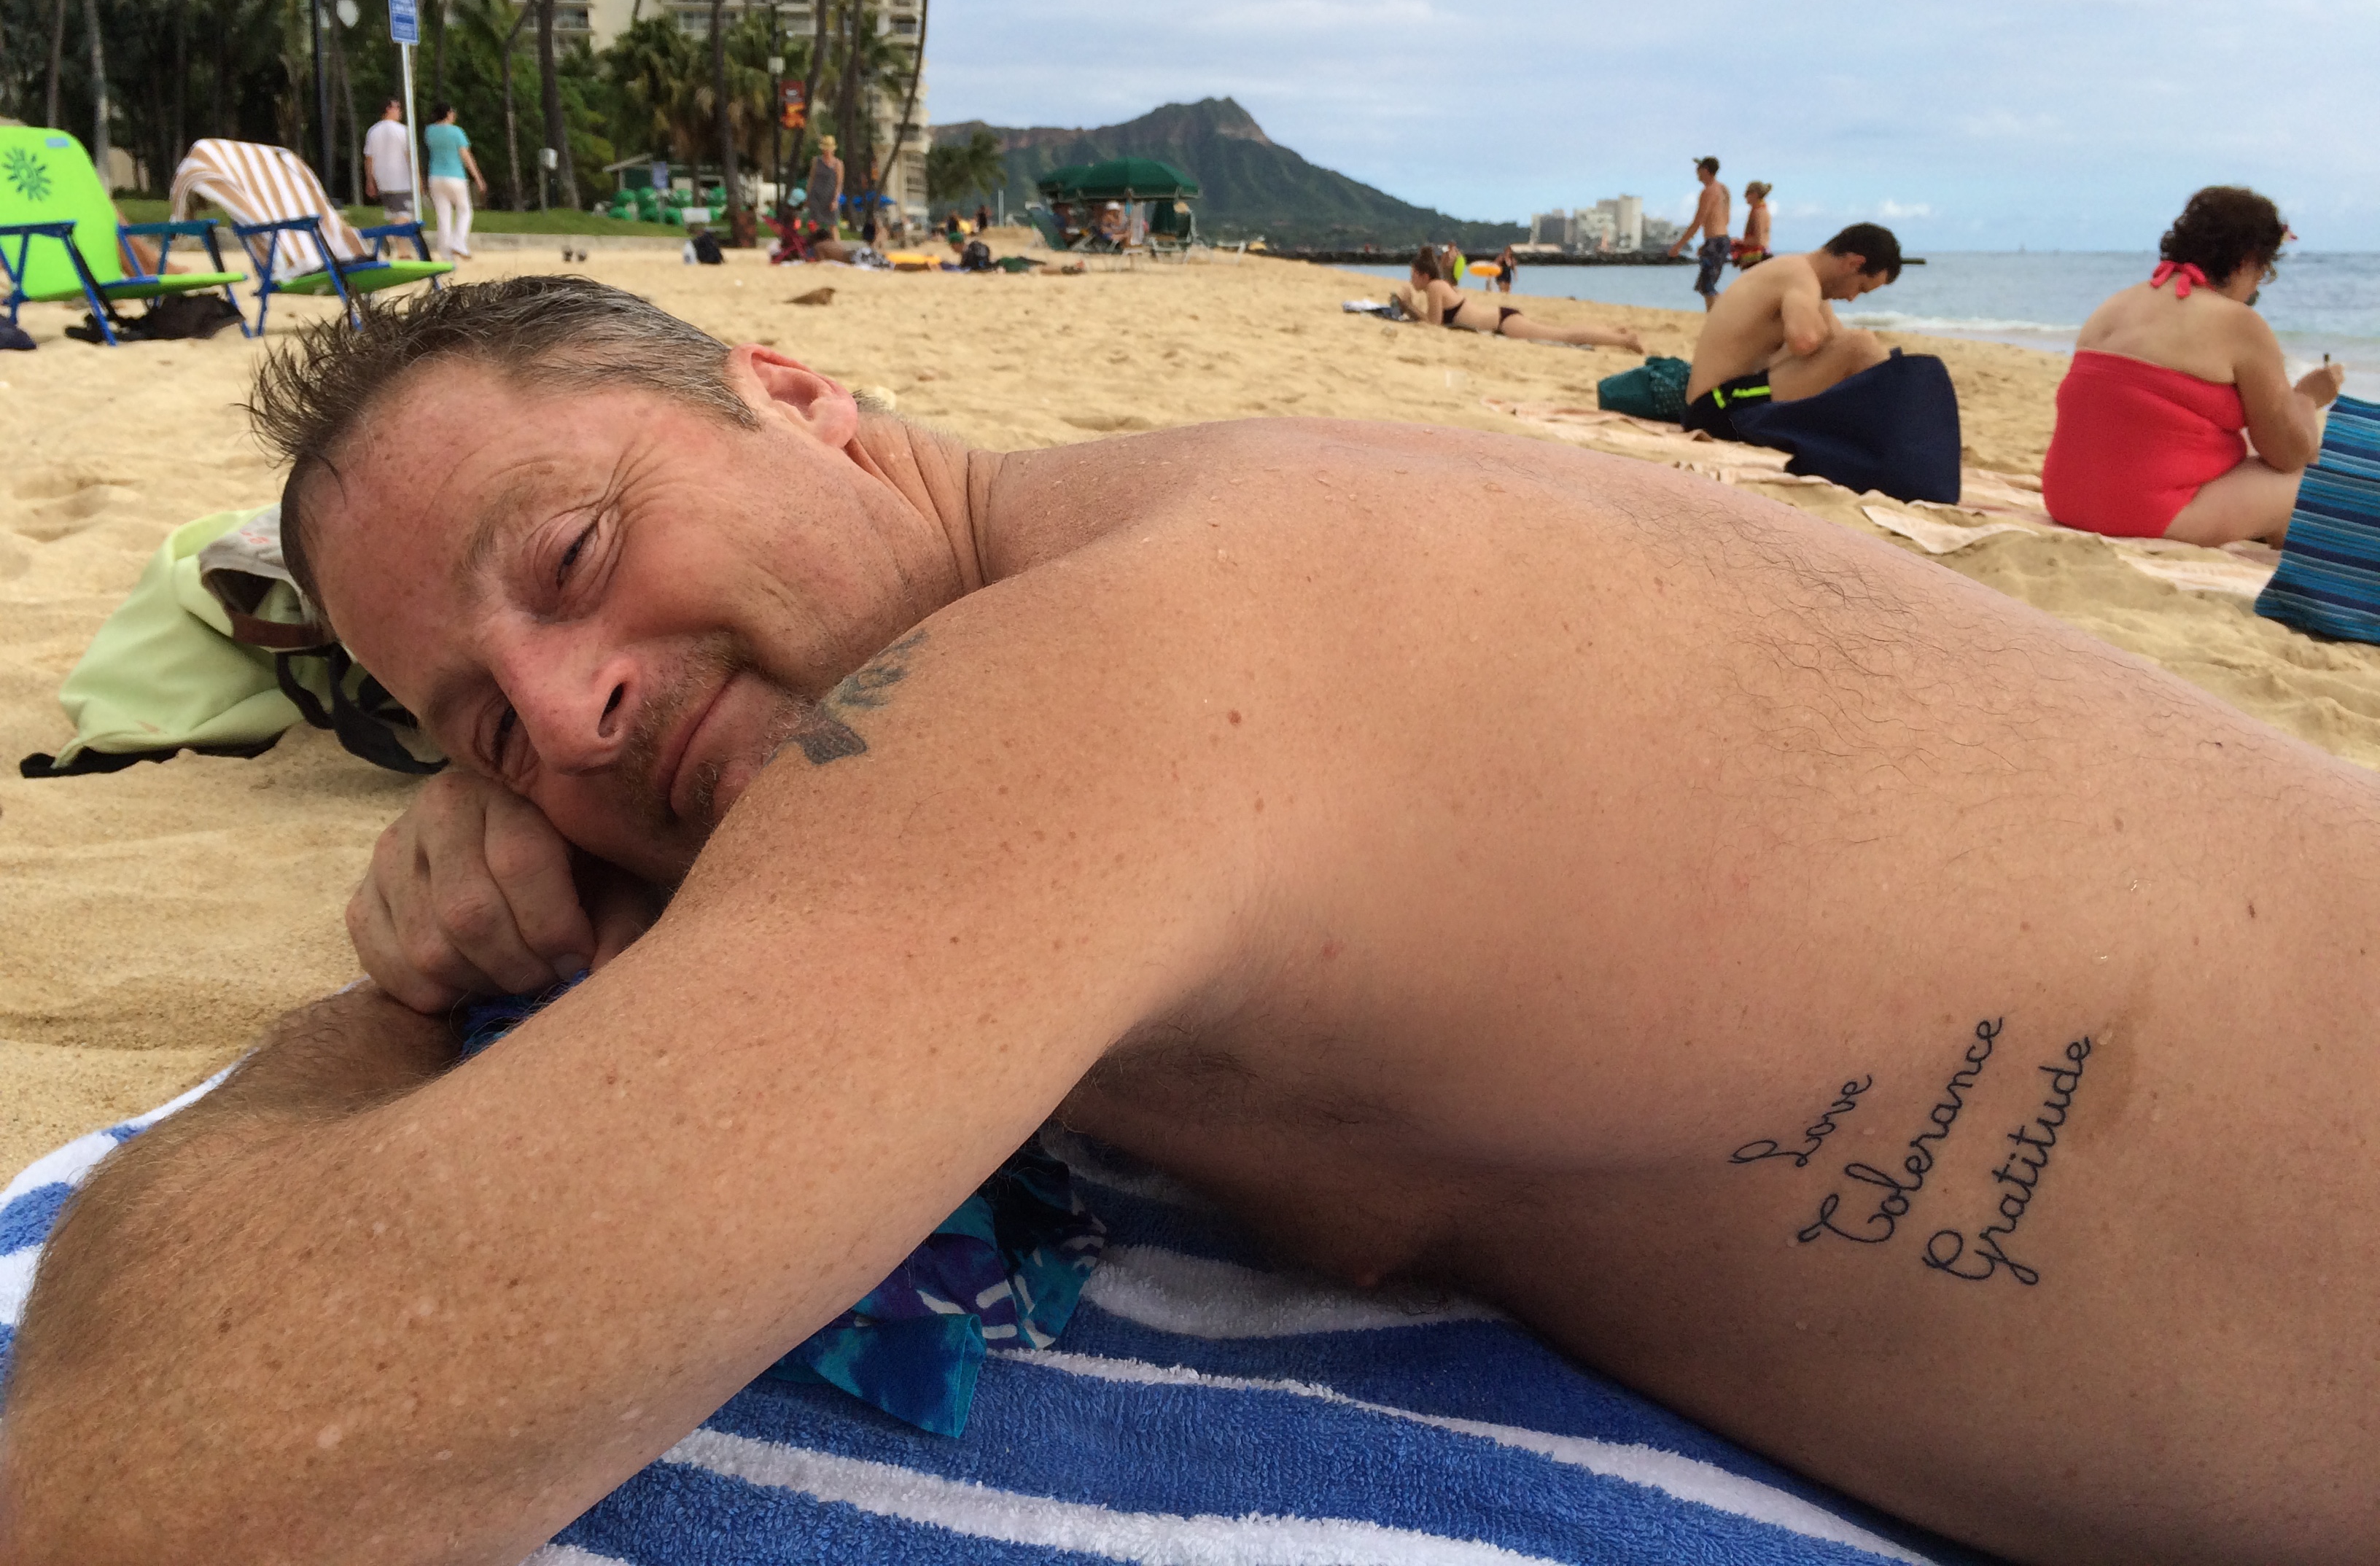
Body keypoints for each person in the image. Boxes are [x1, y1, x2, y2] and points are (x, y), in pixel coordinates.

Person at [11, 277, 2380, 1566]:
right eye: (480, 729)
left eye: (572, 556)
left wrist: (372, 1014)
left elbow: (182, 1486)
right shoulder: (1132, 598)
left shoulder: (1099, 671)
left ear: (803, 394)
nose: (569, 711)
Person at [2042, 186, 2344, 547]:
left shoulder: (2116, 305)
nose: (2254, 290)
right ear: (2247, 261)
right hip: (2143, 514)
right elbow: (2288, 453)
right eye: (2261, 273)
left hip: (2067, 499)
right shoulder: (2238, 324)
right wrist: (2307, 399)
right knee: (2310, 482)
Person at [1682, 223, 1899, 437]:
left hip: (1725, 401)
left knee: (1856, 351)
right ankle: (1898, 427)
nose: (1852, 298)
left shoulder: (1803, 278)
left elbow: (1835, 342)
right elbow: (1804, 341)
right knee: (1861, 345)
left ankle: (1891, 426)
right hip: (1716, 407)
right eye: (1860, 288)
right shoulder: (1799, 276)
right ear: (1853, 263)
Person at [1395, 244, 1644, 351]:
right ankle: (1616, 333)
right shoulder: (1438, 286)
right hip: (1501, 319)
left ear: (1423, 275)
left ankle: (1624, 340)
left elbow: (1434, 325)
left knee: (1564, 336)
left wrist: (1408, 306)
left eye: (1413, 276)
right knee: (1562, 333)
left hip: (1503, 323)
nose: (1411, 280)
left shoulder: (1435, 287)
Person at [421, 101, 486, 262]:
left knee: (443, 215)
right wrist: (478, 177)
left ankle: (446, 254)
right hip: (455, 176)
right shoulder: (457, 132)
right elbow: (466, 156)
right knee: (465, 210)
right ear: (448, 114)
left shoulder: (429, 131)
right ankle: (458, 242)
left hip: (435, 177)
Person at [1668, 156, 1732, 310]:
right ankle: (1718, 316)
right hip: (1722, 240)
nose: (1696, 172)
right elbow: (1725, 219)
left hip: (1715, 242)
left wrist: (1679, 246)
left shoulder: (1709, 192)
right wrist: (1706, 242)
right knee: (1706, 286)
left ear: (1705, 170)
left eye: (1699, 169)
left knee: (1707, 287)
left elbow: (1698, 221)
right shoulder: (1724, 189)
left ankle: (1722, 314)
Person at [362, 98, 414, 226]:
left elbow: (369, 159)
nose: (400, 111)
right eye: (398, 108)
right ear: (389, 109)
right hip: (402, 181)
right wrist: (417, 177)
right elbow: (410, 156)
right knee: (406, 215)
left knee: (393, 215)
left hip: (383, 181)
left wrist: (370, 181)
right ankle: (389, 234)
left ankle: (396, 238)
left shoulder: (373, 131)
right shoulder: (403, 131)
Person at [806, 136, 844, 239]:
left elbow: (839, 184)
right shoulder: (816, 161)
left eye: (828, 149)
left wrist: (835, 200)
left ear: (833, 149)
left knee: (833, 226)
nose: (826, 151)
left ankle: (837, 247)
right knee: (814, 225)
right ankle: (814, 245)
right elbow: (811, 179)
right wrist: (808, 195)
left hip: (830, 198)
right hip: (816, 197)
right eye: (824, 149)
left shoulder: (838, 164)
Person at [1734, 182, 1772, 268]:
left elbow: (1759, 240)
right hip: (1760, 256)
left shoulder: (1759, 212)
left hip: (1758, 257)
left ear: (1755, 195)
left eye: (1747, 193)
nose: (1745, 196)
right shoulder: (1760, 210)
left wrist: (1739, 242)